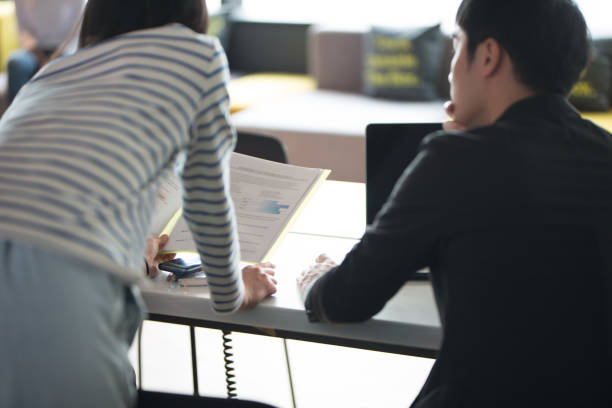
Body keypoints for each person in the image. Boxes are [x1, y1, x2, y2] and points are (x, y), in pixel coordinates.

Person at [298, 0, 612, 406]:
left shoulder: (455, 159)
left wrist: (313, 282)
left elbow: (347, 298)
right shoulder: (605, 153)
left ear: (487, 55)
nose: (450, 69)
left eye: (457, 44)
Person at [0, 1, 277, 407]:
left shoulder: (53, 74)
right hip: (61, 313)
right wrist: (234, 292)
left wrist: (132, 250)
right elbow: (206, 198)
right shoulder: (198, 54)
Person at [7, 0, 86, 103]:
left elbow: (77, 35)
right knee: (16, 62)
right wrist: (40, 57)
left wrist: (55, 58)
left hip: (65, 50)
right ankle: (15, 114)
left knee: (69, 64)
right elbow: (23, 31)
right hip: (35, 51)